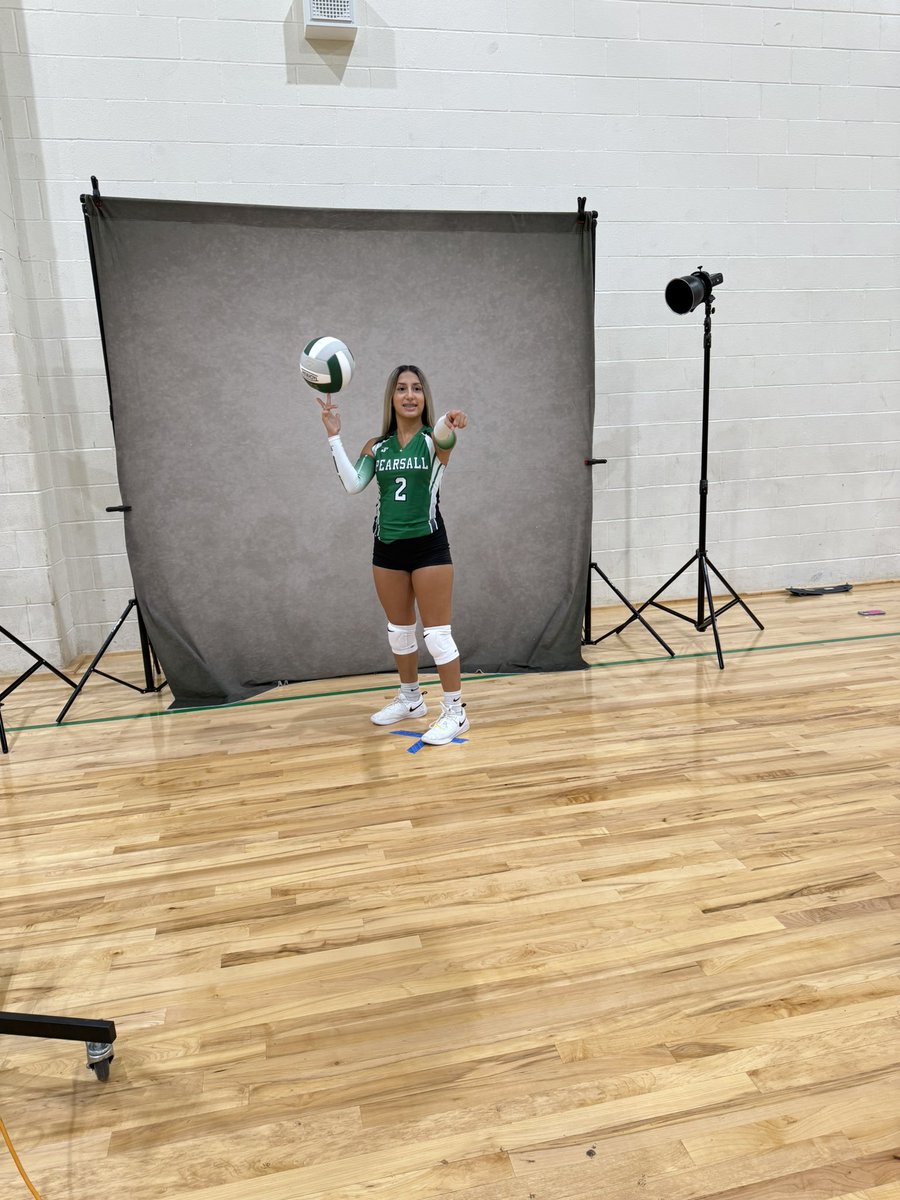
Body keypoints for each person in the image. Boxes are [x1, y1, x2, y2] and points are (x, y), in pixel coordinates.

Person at [319, 365, 469, 746]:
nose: (409, 395)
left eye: (416, 389)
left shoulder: (433, 440)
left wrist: (452, 421)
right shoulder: (377, 446)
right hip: (386, 547)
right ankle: (411, 699)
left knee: (436, 636)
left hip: (429, 545)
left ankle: (455, 711)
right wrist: (334, 437)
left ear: (424, 398)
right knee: (400, 633)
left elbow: (445, 433)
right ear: (391, 397)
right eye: (401, 388)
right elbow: (354, 485)